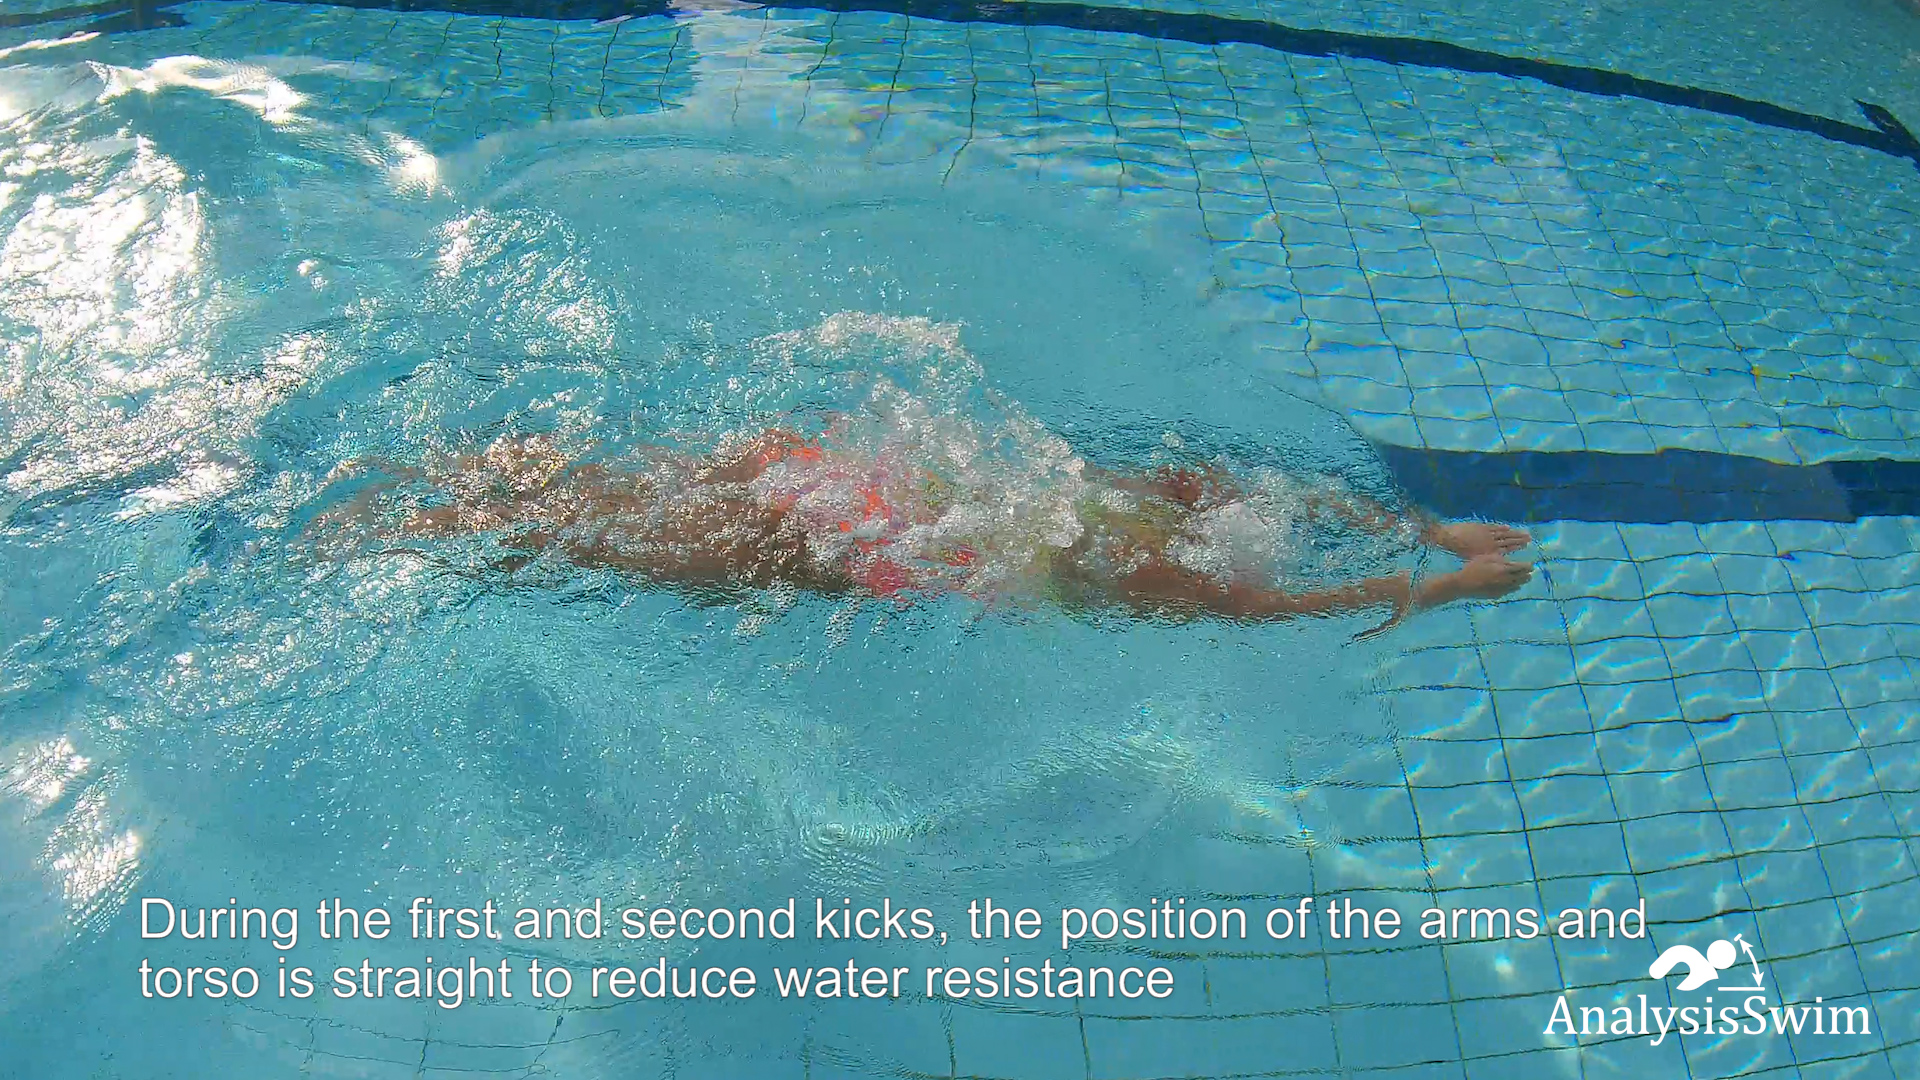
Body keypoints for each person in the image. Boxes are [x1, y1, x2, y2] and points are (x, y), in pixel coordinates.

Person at [315, 425, 1532, 627]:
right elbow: (1286, 606)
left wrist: (1433, 530)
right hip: (844, 550)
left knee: (612, 487)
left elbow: (1242, 487)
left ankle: (404, 473)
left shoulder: (1162, 498)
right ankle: (378, 529)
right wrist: (1447, 581)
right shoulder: (1158, 573)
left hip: (851, 476)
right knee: (587, 538)